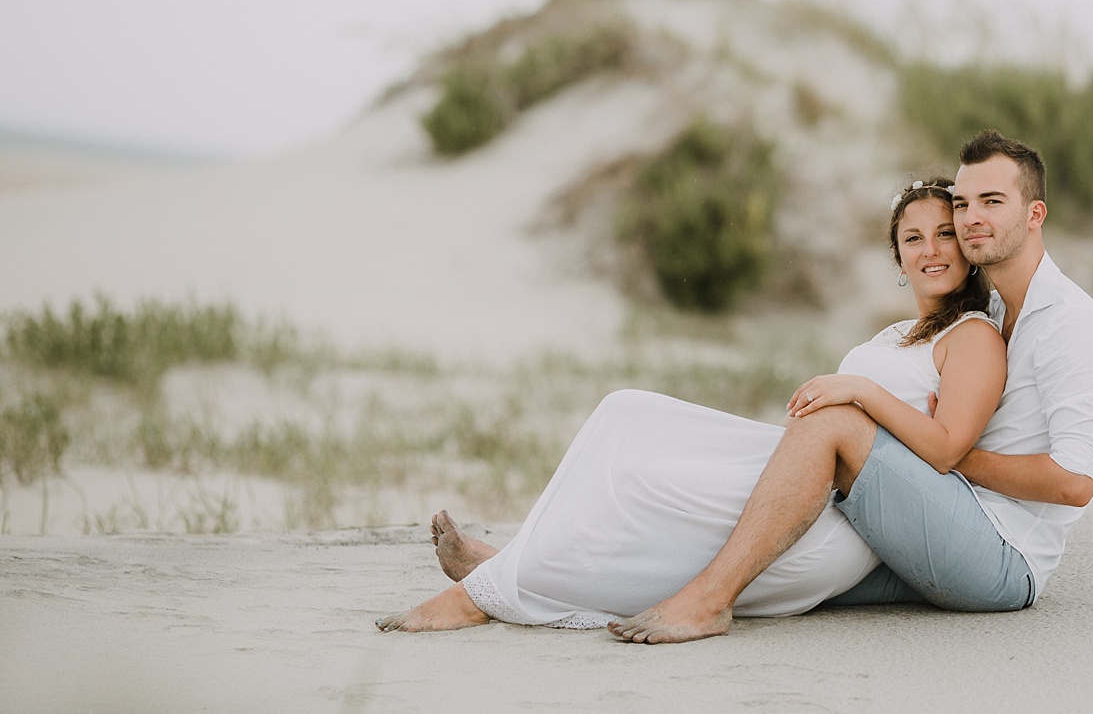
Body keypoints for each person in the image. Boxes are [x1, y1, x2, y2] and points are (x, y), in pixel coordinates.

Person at [376, 176, 1009, 632]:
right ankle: (516, 558)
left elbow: (947, 450)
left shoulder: (972, 336)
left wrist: (861, 392)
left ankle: (490, 591)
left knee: (648, 491)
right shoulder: (892, 338)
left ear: (967, 246)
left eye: (945, 235)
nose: (930, 249)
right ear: (897, 256)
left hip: (849, 524)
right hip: (810, 483)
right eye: (913, 237)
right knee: (626, 415)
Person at [607, 129, 1093, 643]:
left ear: (1035, 214)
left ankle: (707, 603)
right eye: (962, 203)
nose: (970, 219)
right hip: (942, 507)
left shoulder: (1071, 323)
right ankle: (608, 579)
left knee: (836, 423)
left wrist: (949, 452)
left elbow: (1075, 482)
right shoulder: (988, 313)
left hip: (1004, 554)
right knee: (781, 561)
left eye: (992, 201)